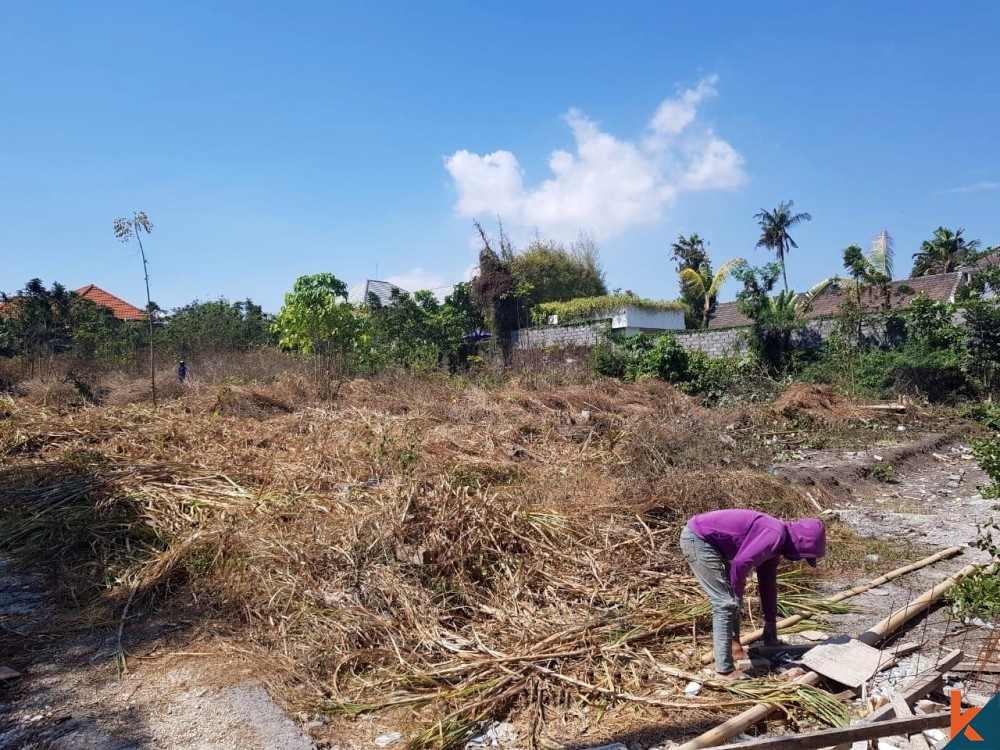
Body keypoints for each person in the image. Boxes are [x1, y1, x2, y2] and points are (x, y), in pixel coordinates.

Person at [680, 509, 826, 680]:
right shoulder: (774, 534)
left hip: (712, 543)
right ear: (799, 543)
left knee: (730, 601)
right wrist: (737, 595)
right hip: (698, 539)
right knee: (724, 603)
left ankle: (735, 649)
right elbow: (740, 564)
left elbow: (768, 584)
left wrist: (770, 622)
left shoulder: (776, 545)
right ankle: (724, 670)